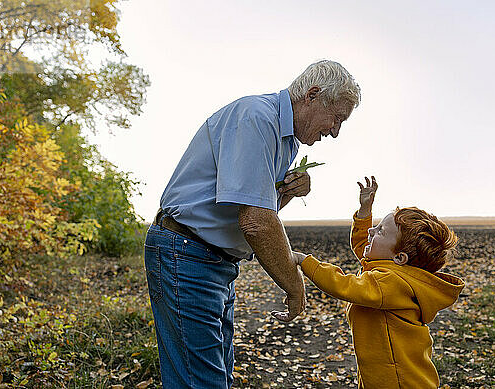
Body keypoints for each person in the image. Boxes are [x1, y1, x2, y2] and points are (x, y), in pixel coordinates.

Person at [143, 60, 361, 389]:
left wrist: (289, 191)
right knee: (201, 381)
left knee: (215, 374)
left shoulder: (287, 140)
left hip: (213, 261)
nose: (335, 131)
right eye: (338, 118)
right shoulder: (257, 118)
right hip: (186, 254)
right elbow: (255, 222)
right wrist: (294, 285)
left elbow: (256, 208)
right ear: (313, 96)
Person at [292, 176, 465, 388]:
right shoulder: (393, 270)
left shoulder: (392, 282)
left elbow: (343, 285)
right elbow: (365, 245)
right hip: (385, 375)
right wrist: (365, 211)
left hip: (399, 381)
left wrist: (305, 261)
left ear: (400, 258)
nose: (372, 231)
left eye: (381, 231)